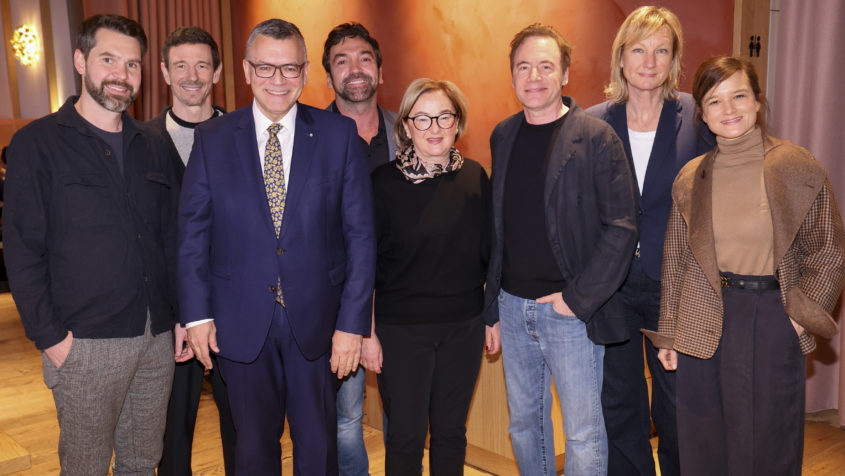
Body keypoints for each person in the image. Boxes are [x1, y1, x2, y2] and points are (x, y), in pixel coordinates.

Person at [178, 18, 375, 475]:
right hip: (238, 323)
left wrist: (352, 326)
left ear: (306, 72)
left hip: (319, 327)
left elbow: (361, 238)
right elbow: (192, 237)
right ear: (246, 71)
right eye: (266, 68)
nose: (278, 80)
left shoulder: (337, 135)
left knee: (319, 450)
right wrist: (198, 316)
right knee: (251, 453)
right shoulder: (212, 140)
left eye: (289, 69)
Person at [645, 56, 845, 475]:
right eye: (715, 101)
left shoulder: (796, 166)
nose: (729, 109)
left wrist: (798, 318)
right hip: (703, 317)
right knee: (704, 445)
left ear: (757, 102)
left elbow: (828, 249)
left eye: (739, 95)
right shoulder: (690, 178)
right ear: (702, 113)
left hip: (771, 317)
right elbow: (677, 261)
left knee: (766, 446)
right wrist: (669, 335)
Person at [3, 14, 180, 475]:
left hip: (156, 336)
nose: (122, 75)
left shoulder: (154, 144)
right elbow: (22, 249)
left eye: (133, 64)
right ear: (80, 61)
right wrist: (52, 339)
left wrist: (179, 315)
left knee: (143, 462)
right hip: (84, 343)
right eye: (108, 59)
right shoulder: (36, 144)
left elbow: (172, 238)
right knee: (85, 467)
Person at [483, 23, 638, 476]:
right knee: (525, 428)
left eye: (546, 66)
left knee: (583, 433)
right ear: (512, 76)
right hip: (512, 309)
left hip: (571, 314)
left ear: (565, 74)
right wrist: (491, 307)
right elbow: (498, 229)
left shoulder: (596, 138)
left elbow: (622, 229)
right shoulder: (503, 135)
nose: (534, 76)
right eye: (524, 67)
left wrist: (577, 299)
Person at [586, 7, 712, 475]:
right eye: (638, 49)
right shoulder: (594, 122)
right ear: (621, 58)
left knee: (678, 410)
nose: (649, 60)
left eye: (661, 50)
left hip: (675, 286)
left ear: (674, 59)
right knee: (620, 406)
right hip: (612, 288)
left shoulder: (698, 116)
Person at [371, 78, 494, 475]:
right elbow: (363, 267)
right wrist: (366, 331)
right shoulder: (382, 183)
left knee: (450, 433)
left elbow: (490, 256)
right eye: (422, 119)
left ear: (458, 122)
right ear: (405, 127)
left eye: (444, 116)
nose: (435, 128)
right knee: (406, 436)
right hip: (400, 331)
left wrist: (491, 318)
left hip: (464, 327)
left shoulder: (476, 178)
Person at [149, 26, 235, 476]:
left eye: (202, 65)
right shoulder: (141, 143)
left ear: (217, 72)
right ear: (163, 72)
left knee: (244, 429)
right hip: (169, 320)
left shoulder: (245, 136)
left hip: (238, 312)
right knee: (171, 436)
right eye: (180, 65)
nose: (192, 75)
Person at [321, 22, 397, 476]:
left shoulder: (408, 132)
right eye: (341, 61)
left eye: (365, 58)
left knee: (402, 412)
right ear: (328, 76)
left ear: (380, 72)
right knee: (346, 418)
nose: (355, 69)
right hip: (339, 303)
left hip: (401, 297)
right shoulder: (310, 138)